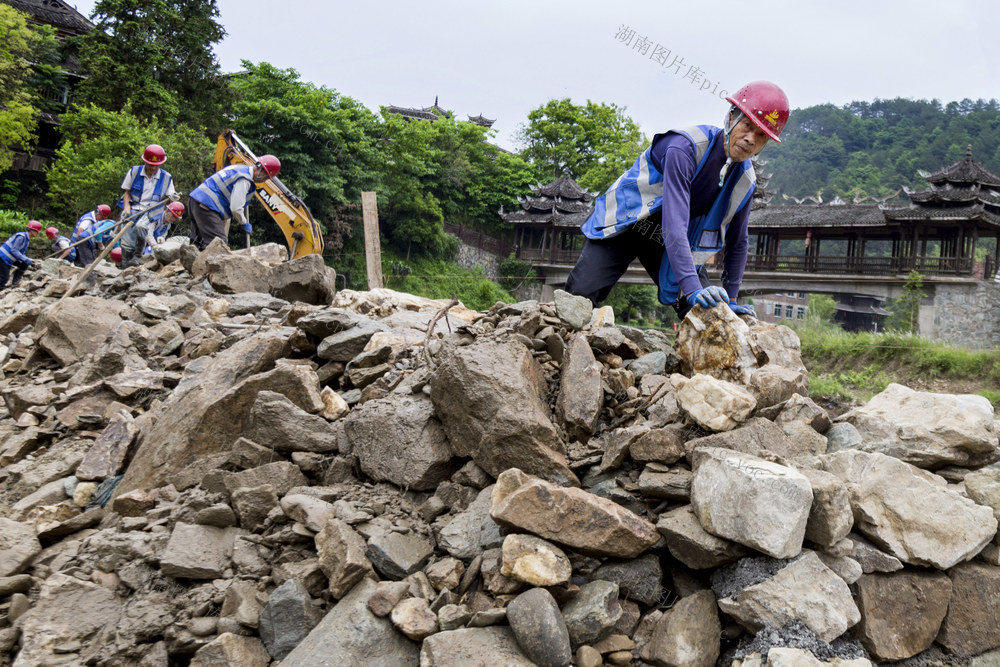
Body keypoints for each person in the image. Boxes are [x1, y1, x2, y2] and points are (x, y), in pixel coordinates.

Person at [565, 81, 789, 319]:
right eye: (746, 125)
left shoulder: (745, 181)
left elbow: (738, 242)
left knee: (710, 312)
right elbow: (675, 223)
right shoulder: (685, 148)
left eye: (761, 135)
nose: (750, 139)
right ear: (731, 117)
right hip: (628, 221)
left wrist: (731, 298)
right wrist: (692, 289)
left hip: (666, 240)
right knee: (577, 301)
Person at [187, 155, 280, 250]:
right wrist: (244, 222)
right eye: (266, 178)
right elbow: (236, 208)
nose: (263, 181)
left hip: (195, 200)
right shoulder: (244, 179)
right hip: (206, 206)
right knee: (219, 244)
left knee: (198, 244)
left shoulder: (238, 168)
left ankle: (192, 262)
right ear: (261, 171)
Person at [120, 201, 185, 267]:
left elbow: (163, 236)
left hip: (150, 246)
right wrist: (156, 247)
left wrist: (161, 243)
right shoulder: (155, 217)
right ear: (167, 211)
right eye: (172, 216)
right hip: (139, 242)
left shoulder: (168, 225)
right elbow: (148, 235)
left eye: (175, 218)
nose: (173, 219)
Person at [121, 144, 176, 218]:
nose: (153, 168)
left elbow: (172, 197)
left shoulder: (167, 177)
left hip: (153, 214)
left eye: (156, 165)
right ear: (145, 162)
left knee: (140, 227)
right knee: (124, 220)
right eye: (150, 165)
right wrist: (126, 208)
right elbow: (127, 193)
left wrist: (174, 198)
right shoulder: (134, 171)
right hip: (133, 209)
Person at [0, 220, 41, 288]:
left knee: (24, 264)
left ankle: (15, 283)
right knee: (4, 278)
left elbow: (21, 253)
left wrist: (29, 260)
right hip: (2, 258)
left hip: (8, 258)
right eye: (37, 231)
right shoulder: (21, 237)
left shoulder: (26, 239)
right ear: (32, 230)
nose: (37, 233)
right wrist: (26, 259)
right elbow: (14, 250)